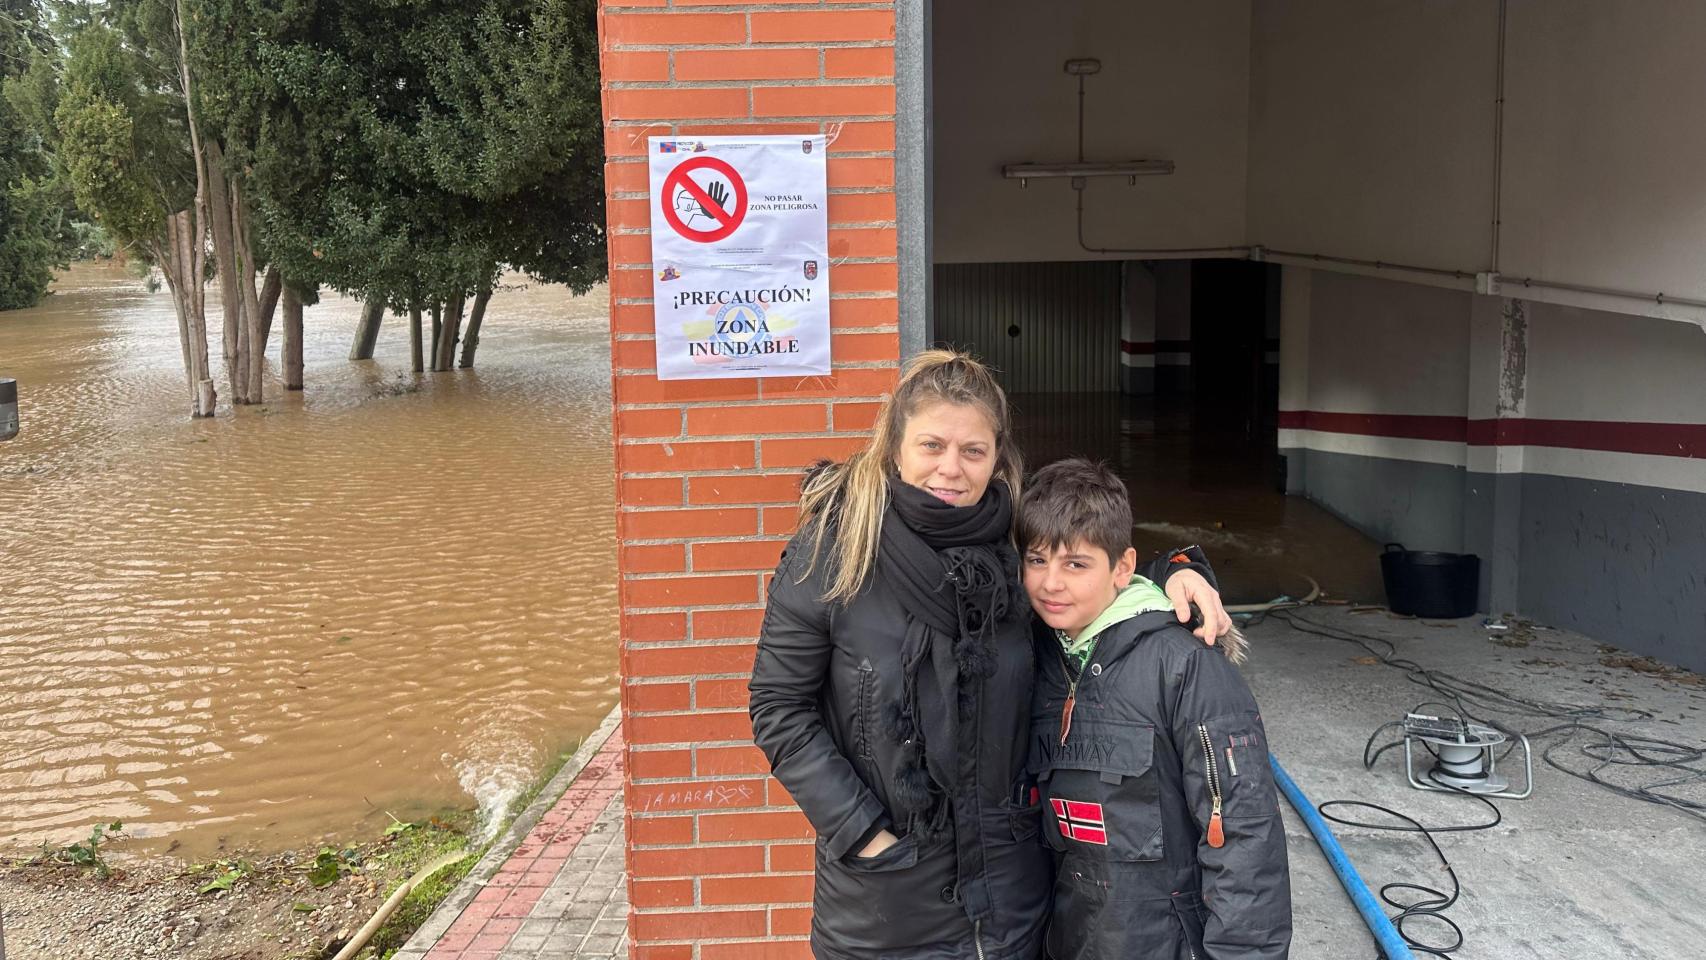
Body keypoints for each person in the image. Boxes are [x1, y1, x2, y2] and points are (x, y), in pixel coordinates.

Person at [748, 351, 1230, 960]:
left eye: (973, 451)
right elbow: (778, 706)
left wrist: (1176, 573)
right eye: (932, 445)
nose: (951, 469)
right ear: (895, 446)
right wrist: (863, 831)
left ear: (997, 458)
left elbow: (1087, 578)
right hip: (884, 901)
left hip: (1010, 897)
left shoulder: (1016, 546)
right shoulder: (833, 552)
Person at [1021, 458, 1291, 960]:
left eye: (1075, 564)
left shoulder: (1186, 666)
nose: (1051, 583)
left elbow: (1245, 836)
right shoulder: (1037, 657)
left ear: (1123, 566)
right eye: (1037, 561)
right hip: (1071, 936)